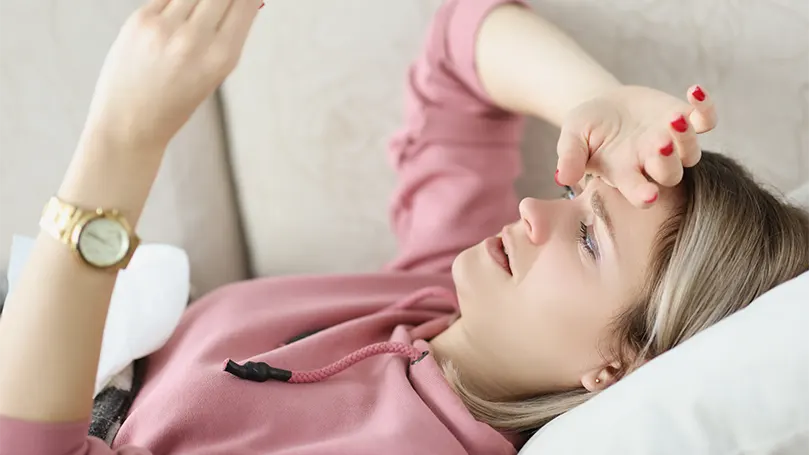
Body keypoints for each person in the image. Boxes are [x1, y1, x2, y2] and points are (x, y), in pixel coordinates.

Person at [1, 0, 808, 453]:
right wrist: (595, 103)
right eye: (578, 193)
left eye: (590, 237)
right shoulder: (434, 300)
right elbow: (459, 49)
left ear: (618, 367)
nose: (533, 210)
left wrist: (120, 145)